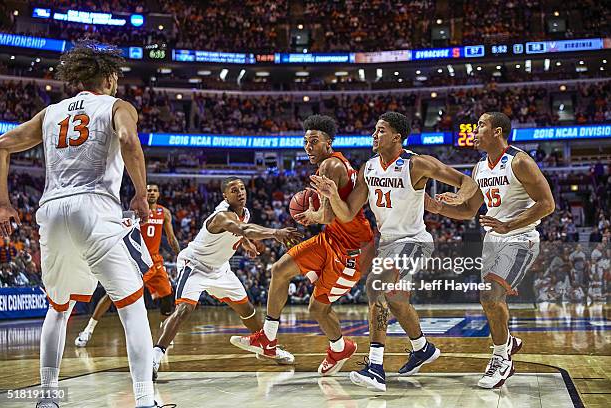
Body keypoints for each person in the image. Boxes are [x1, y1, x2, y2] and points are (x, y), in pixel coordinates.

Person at [0, 40, 161, 407]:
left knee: (58, 308)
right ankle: (145, 400)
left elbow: (1, 145)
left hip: (52, 212)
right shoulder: (118, 106)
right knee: (132, 304)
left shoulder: (50, 113)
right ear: (106, 76)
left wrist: (3, 203)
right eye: (115, 75)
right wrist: (138, 193)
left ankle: (48, 398)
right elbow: (128, 140)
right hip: (95, 207)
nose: (117, 81)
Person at [311, 111, 478, 392]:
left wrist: (458, 197)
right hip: (389, 242)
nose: (374, 135)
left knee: (376, 288)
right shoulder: (369, 167)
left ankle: (375, 367)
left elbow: (466, 182)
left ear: (397, 137)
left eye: (381, 131)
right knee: (397, 301)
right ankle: (422, 347)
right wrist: (331, 196)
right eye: (374, 130)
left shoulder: (417, 164)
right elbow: (348, 212)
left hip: (414, 240)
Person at [231, 115, 375, 376]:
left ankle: (340, 347)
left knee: (317, 308)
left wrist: (312, 216)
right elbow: (329, 218)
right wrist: (315, 214)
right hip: (332, 238)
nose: (308, 146)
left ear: (328, 143)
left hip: (352, 249)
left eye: (314, 141)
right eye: (305, 141)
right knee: (279, 269)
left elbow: (330, 216)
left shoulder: (331, 165)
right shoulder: (331, 164)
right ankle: (268, 339)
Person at [425, 111, 555, 388]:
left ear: (497, 131)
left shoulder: (520, 162)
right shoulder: (479, 168)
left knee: (490, 295)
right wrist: (440, 208)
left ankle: (501, 358)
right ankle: (508, 341)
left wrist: (509, 225)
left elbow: (547, 204)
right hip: (493, 239)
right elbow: (470, 210)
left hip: (520, 237)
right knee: (492, 300)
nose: (475, 131)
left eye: (481, 125)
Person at [153, 177, 302, 379]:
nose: (240, 192)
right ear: (225, 196)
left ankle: (267, 347)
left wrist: (246, 244)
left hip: (220, 269)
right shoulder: (221, 216)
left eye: (242, 188)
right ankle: (154, 358)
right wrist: (275, 232)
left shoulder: (245, 213)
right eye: (234, 190)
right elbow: (241, 229)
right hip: (195, 265)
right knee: (185, 309)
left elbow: (241, 232)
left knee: (247, 309)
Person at [75, 183, 180, 347]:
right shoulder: (134, 212)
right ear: (144, 192)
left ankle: (164, 330)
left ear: (159, 194)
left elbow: (171, 238)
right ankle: (88, 330)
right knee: (113, 295)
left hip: (155, 261)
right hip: (136, 258)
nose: (151, 193)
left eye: (154, 190)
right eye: (148, 190)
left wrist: (180, 255)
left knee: (167, 295)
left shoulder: (164, 213)